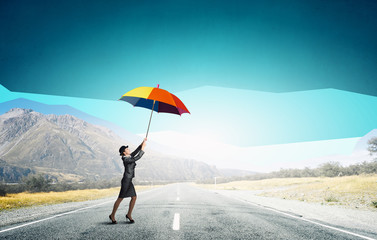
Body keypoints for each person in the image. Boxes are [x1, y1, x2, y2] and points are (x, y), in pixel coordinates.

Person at [109, 138, 147, 224]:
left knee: (134, 197)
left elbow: (137, 151)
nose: (129, 150)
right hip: (126, 181)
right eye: (127, 149)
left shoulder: (129, 156)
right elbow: (138, 157)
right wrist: (143, 148)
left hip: (129, 181)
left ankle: (129, 214)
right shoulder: (125, 159)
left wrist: (142, 143)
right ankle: (112, 215)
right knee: (120, 199)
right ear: (124, 152)